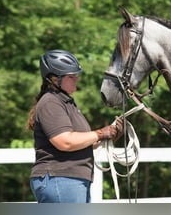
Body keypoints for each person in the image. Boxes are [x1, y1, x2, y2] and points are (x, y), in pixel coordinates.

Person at [27, 49, 123, 203]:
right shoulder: (51, 102)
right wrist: (100, 133)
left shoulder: (66, 103)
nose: (76, 79)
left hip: (68, 179)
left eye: (76, 75)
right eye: (71, 77)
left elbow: (79, 142)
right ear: (54, 79)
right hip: (61, 179)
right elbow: (65, 141)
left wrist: (108, 136)